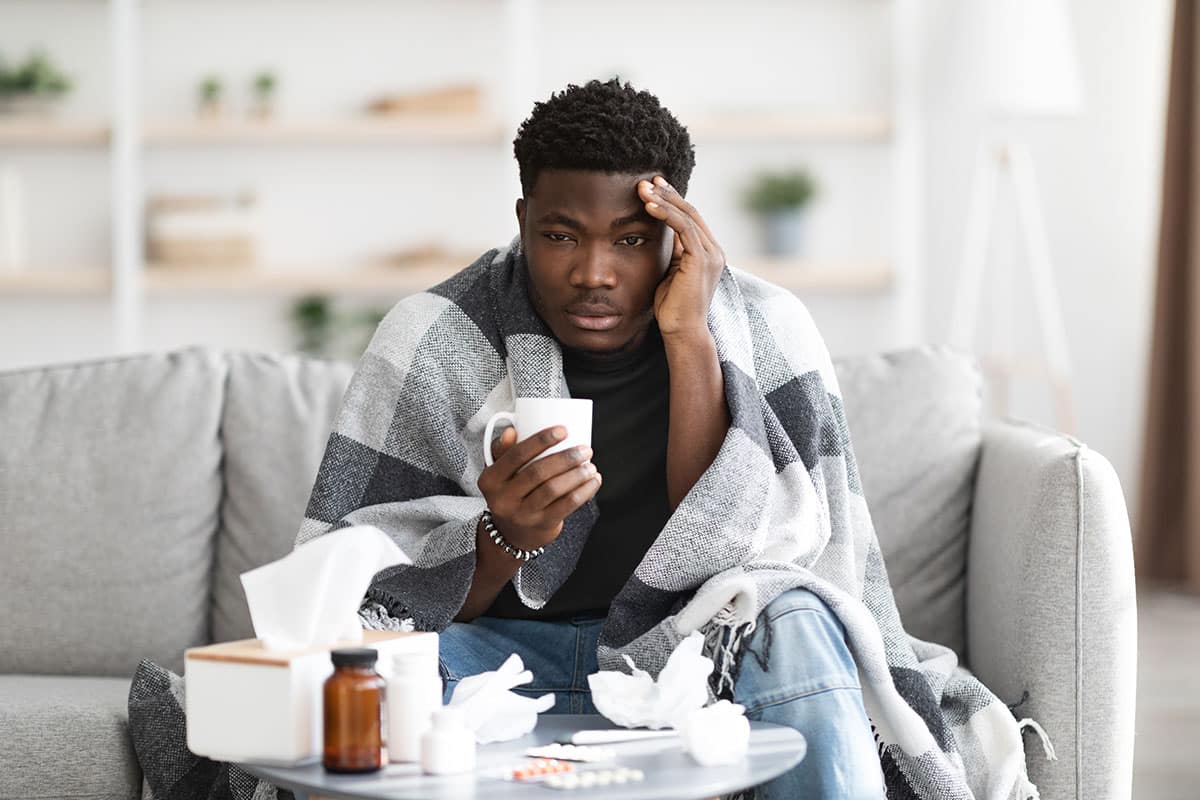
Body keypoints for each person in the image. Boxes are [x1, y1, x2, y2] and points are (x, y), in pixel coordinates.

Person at [297, 78, 1029, 800]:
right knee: (354, 685)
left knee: (803, 625)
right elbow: (358, 595)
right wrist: (504, 537)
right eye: (560, 236)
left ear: (678, 235)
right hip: (506, 664)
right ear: (522, 220)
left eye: (632, 240)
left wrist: (687, 336)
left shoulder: (767, 329)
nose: (594, 274)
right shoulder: (435, 336)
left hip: (701, 664)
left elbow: (761, 561)